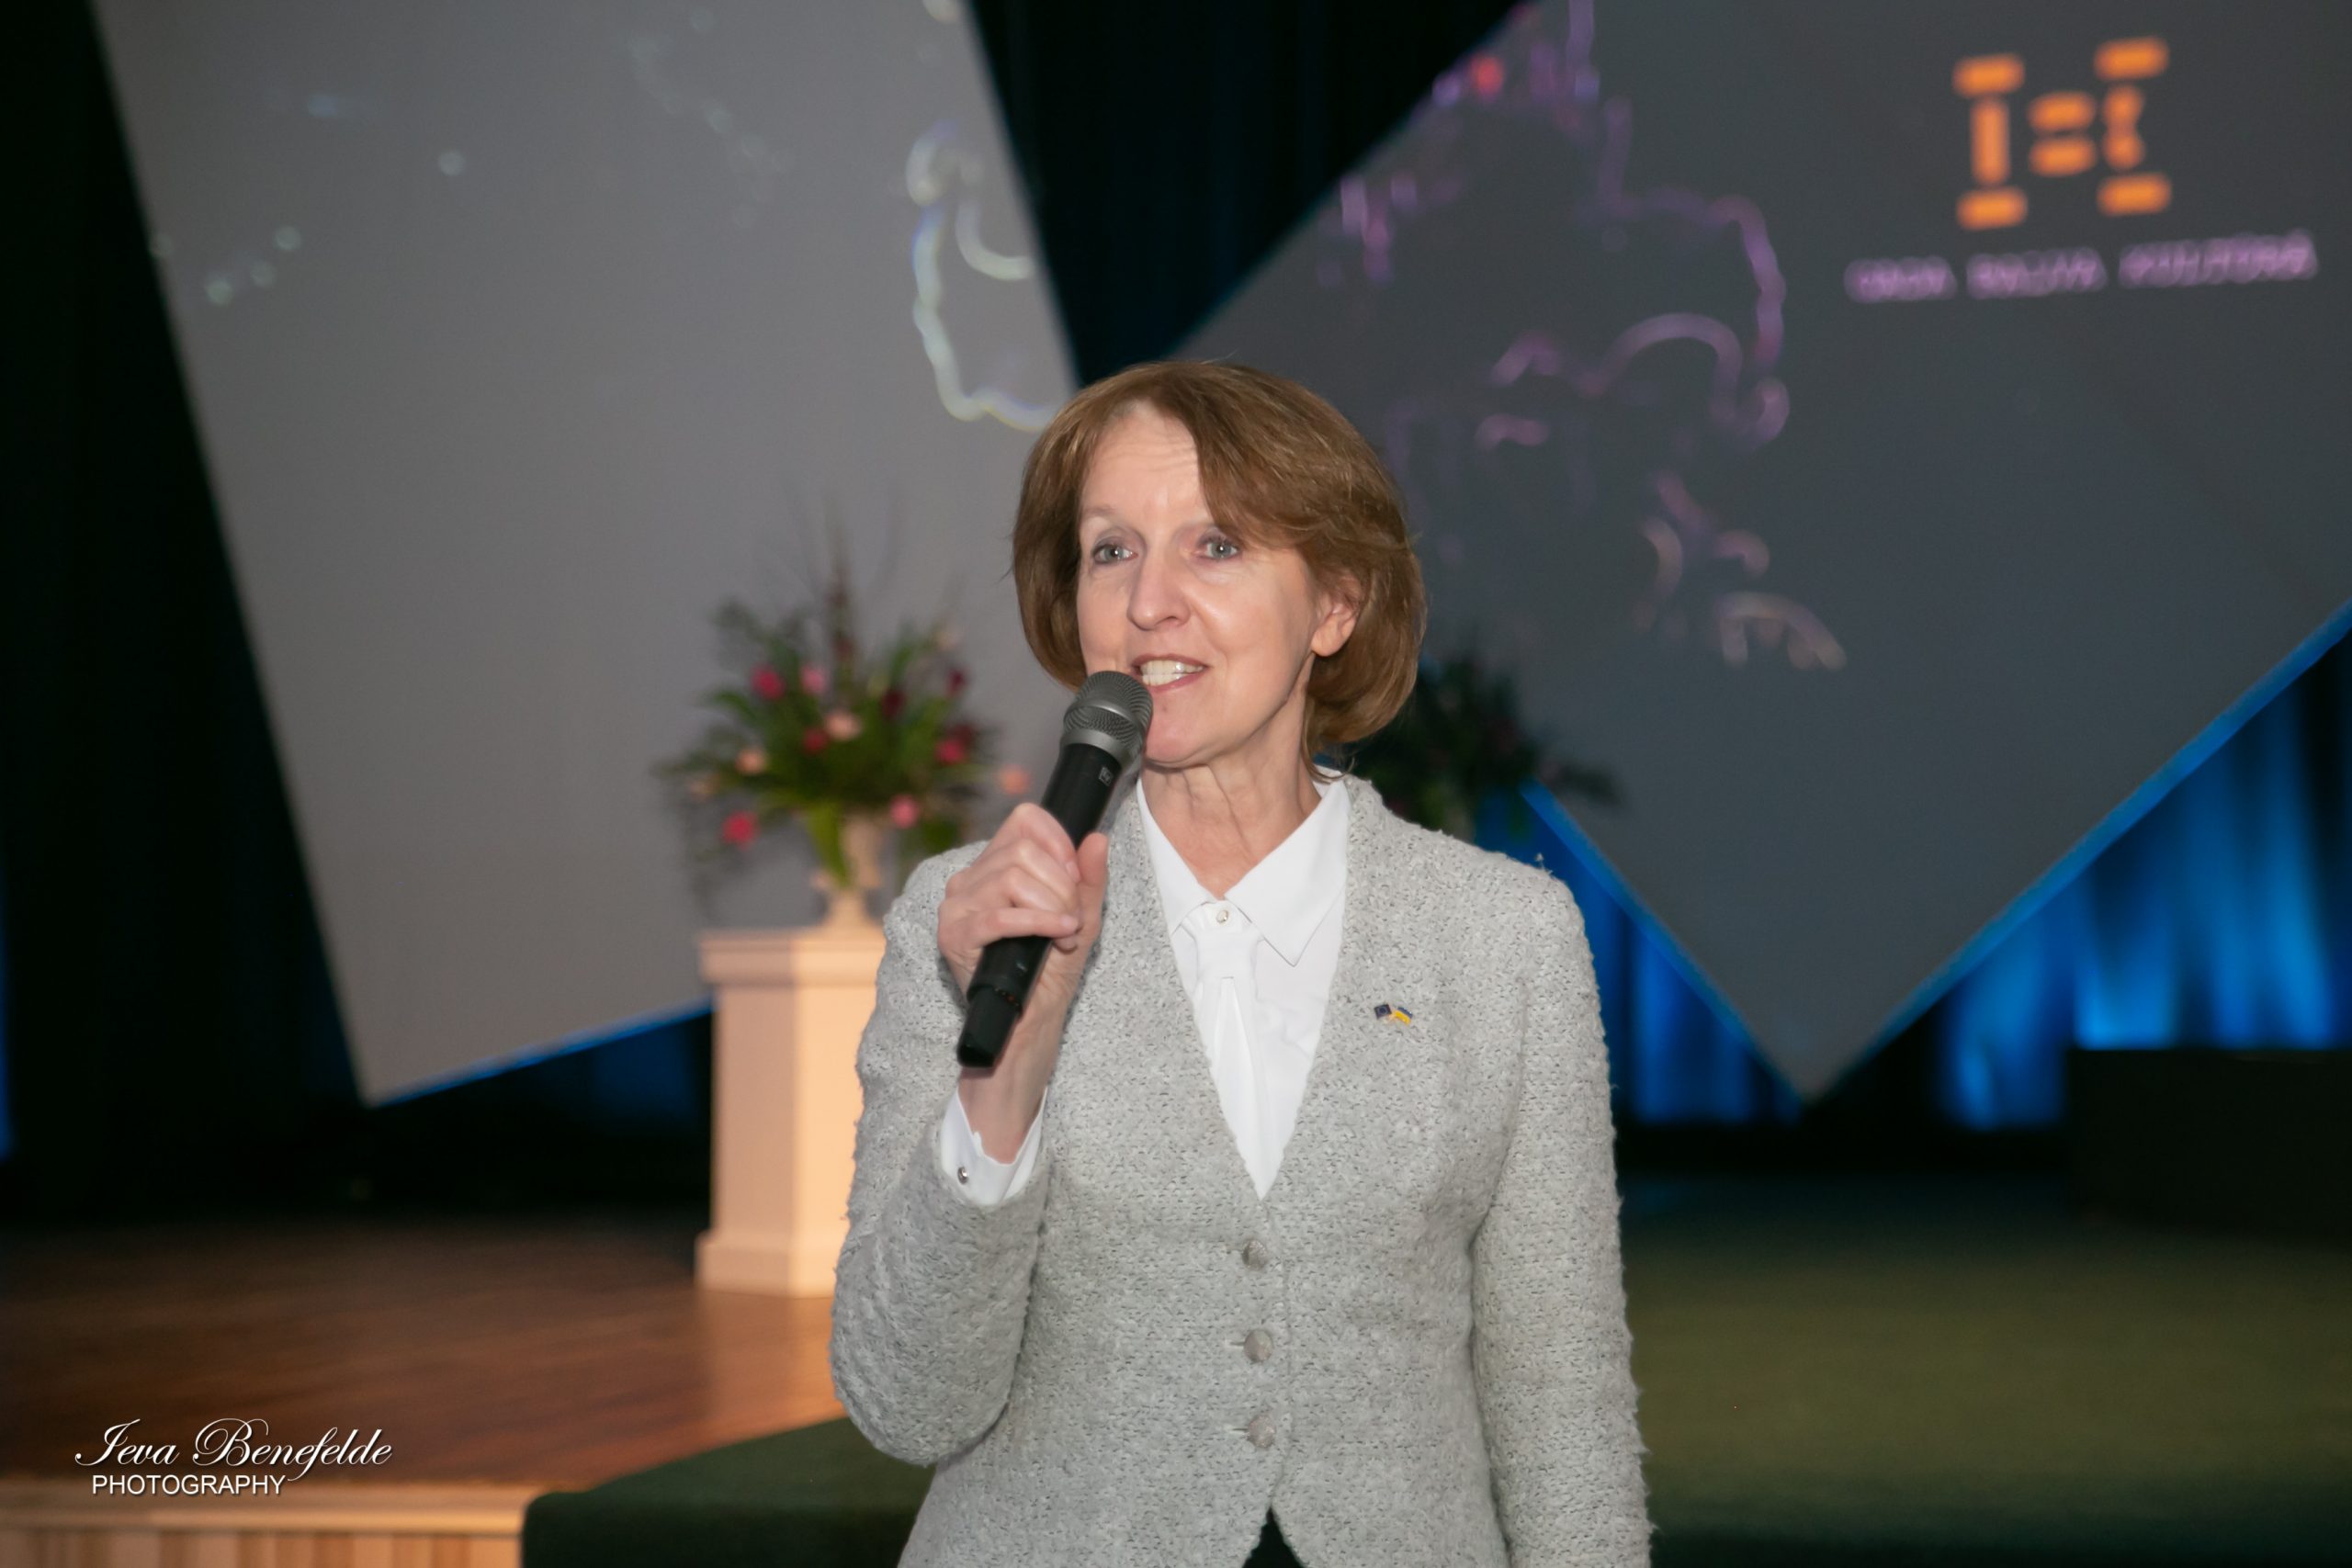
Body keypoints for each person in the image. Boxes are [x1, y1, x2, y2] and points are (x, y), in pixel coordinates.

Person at [829, 360, 1652, 1566]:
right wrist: (1008, 1073)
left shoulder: (1504, 938)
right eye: (1112, 551)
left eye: (1215, 546)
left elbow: (1561, 1395)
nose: (1148, 602)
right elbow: (905, 1403)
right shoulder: (962, 923)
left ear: (1335, 607)